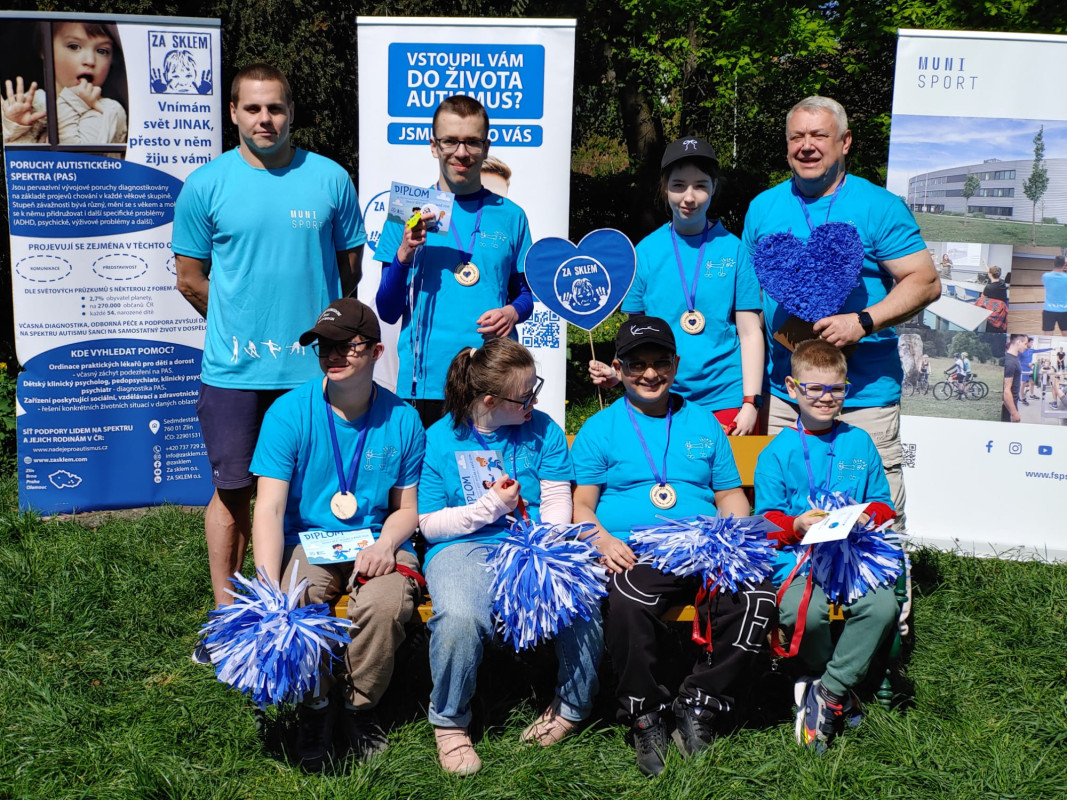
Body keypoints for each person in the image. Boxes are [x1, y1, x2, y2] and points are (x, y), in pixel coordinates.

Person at [173, 63, 367, 640]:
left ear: (291, 113)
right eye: (253, 108)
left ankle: (301, 609)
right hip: (234, 372)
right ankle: (229, 619)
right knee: (233, 492)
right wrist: (238, 325)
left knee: (313, 493)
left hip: (313, 371)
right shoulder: (205, 184)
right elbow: (189, 278)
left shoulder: (330, 178)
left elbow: (349, 272)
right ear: (233, 112)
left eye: (275, 108)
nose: (265, 119)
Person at [572, 316, 776, 777]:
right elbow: (581, 505)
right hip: (638, 551)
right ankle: (644, 714)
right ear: (618, 369)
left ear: (676, 364)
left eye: (660, 362)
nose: (650, 373)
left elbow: (729, 494)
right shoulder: (600, 428)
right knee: (627, 599)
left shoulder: (703, 423)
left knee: (758, 598)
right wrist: (602, 540)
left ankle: (701, 703)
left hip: (705, 546)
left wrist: (732, 537)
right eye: (636, 364)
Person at [741, 96, 940, 527]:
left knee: (874, 523)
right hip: (787, 395)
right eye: (797, 136)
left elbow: (925, 281)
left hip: (861, 397)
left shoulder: (878, 206)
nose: (806, 146)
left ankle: (876, 576)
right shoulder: (763, 208)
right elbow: (749, 305)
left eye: (819, 135)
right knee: (788, 519)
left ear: (845, 142)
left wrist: (863, 321)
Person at [250, 299, 424, 771]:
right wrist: (268, 588)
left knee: (386, 605)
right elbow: (269, 507)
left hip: (380, 539)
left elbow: (407, 509)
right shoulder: (288, 413)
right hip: (307, 540)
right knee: (297, 600)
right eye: (324, 346)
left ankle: (358, 706)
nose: (333, 355)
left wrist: (386, 545)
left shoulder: (403, 419)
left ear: (376, 351)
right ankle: (316, 706)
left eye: (347, 346)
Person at [418, 338, 601, 775]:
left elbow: (556, 498)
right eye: (525, 396)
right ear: (489, 401)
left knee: (580, 601)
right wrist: (488, 509)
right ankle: (450, 721)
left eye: (535, 389)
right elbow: (429, 524)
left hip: (536, 541)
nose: (533, 402)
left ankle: (571, 707)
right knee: (460, 616)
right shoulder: (441, 439)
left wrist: (545, 547)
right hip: (462, 544)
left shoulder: (542, 429)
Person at [754, 339, 898, 752]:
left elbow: (883, 503)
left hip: (855, 559)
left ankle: (828, 690)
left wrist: (868, 516)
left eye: (836, 389)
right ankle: (825, 680)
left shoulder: (860, 442)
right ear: (792, 388)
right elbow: (766, 520)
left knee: (882, 607)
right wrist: (795, 524)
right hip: (798, 559)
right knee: (809, 612)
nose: (825, 398)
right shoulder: (777, 452)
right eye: (814, 388)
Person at [374, 95, 535, 428]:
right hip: (426, 382)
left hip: (493, 377)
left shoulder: (512, 215)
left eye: (472, 142)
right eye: (450, 141)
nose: (461, 153)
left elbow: (525, 295)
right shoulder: (407, 212)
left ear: (486, 147)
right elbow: (387, 311)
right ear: (434, 146)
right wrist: (403, 255)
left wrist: (512, 312)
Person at [588, 137, 764, 434]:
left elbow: (750, 333)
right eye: (679, 185)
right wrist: (618, 372)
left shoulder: (734, 250)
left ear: (714, 187)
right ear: (664, 187)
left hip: (727, 397)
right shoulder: (644, 253)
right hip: (661, 397)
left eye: (700, 185)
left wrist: (750, 403)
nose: (689, 197)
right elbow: (635, 332)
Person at [3, 21, 127, 145]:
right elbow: (20, 157)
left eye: (102, 51)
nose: (90, 61)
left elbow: (73, 156)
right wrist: (16, 128)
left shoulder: (109, 111)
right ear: (45, 49)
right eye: (74, 46)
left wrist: (73, 101)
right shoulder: (25, 105)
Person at [1003, 334, 1028, 422]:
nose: (1026, 347)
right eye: (1025, 344)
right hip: (1008, 407)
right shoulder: (1010, 362)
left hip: (1012, 403)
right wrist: (1014, 413)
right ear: (1018, 342)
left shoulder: (1014, 359)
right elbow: (1006, 390)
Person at [1042, 255, 1067, 335]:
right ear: (1064, 264)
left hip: (1049, 310)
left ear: (1054, 263)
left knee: (1048, 336)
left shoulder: (1045, 276)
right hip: (1064, 310)